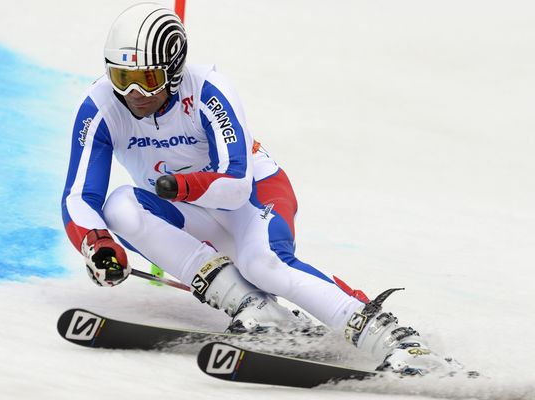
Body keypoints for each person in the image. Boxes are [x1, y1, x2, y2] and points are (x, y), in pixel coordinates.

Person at [61, 3, 461, 376]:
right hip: (191, 213)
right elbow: (81, 197)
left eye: (147, 80)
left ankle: (399, 341)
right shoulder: (100, 107)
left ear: (173, 70)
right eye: (121, 78)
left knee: (263, 264)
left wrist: (180, 184)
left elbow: (235, 185)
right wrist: (96, 244)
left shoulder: (207, 90)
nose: (134, 94)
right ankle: (253, 307)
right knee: (119, 208)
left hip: (253, 198)